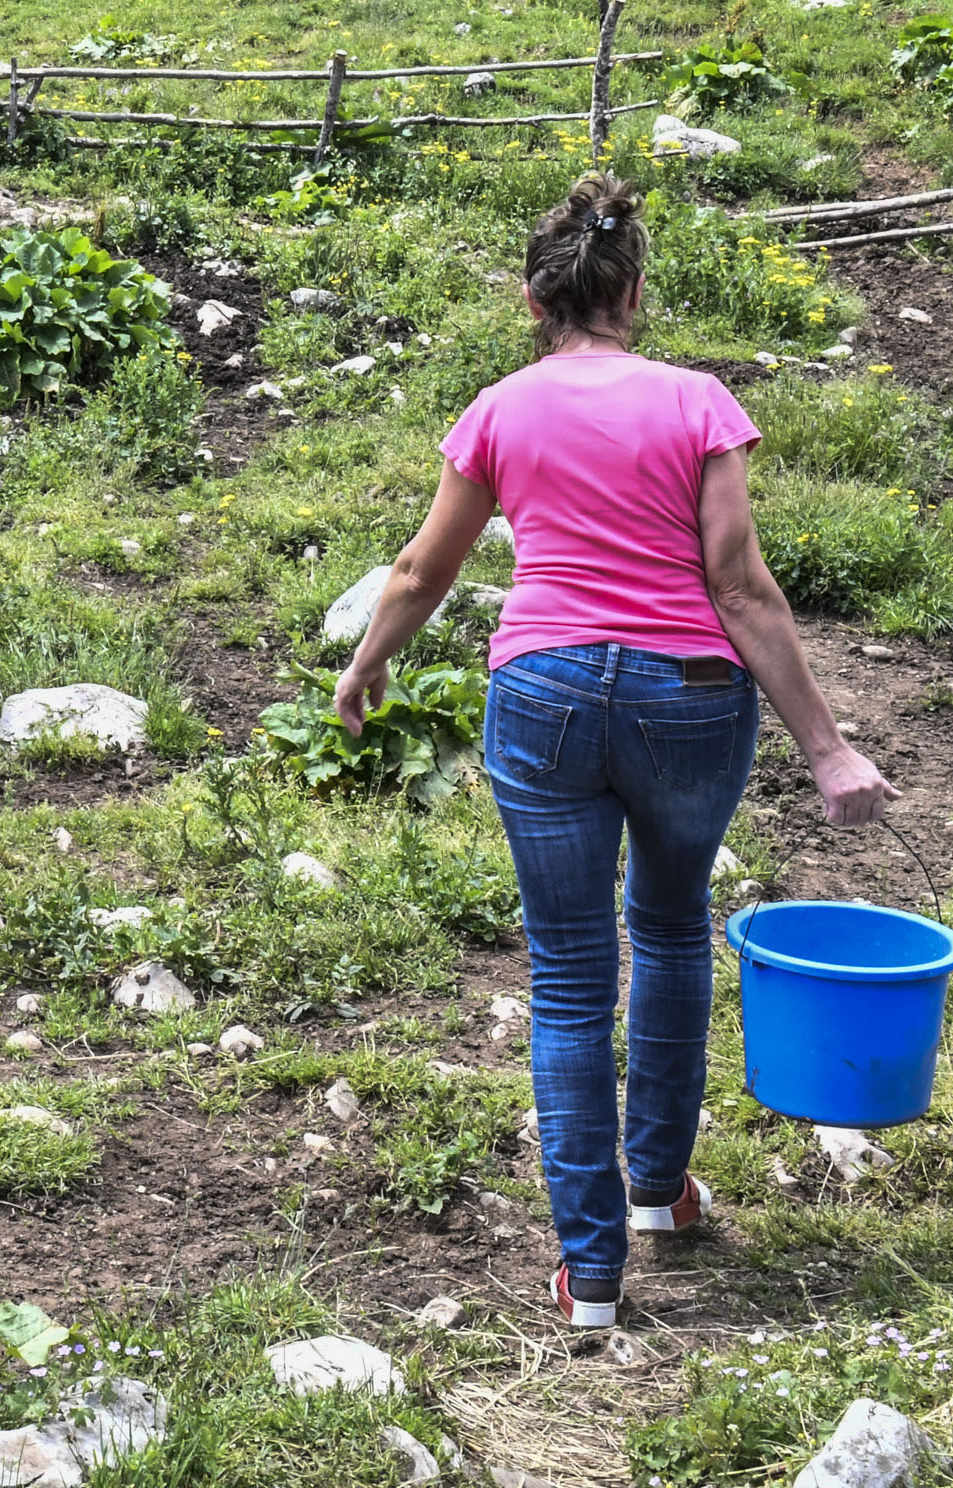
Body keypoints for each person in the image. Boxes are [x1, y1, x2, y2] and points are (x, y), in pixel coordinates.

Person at [331, 173, 894, 1329]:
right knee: (675, 924)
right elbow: (739, 586)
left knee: (571, 979)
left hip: (540, 693)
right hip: (689, 699)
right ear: (634, 290)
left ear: (532, 299)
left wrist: (369, 660)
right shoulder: (698, 404)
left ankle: (590, 1275)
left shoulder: (498, 409)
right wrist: (828, 748)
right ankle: (657, 1193)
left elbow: (422, 571)